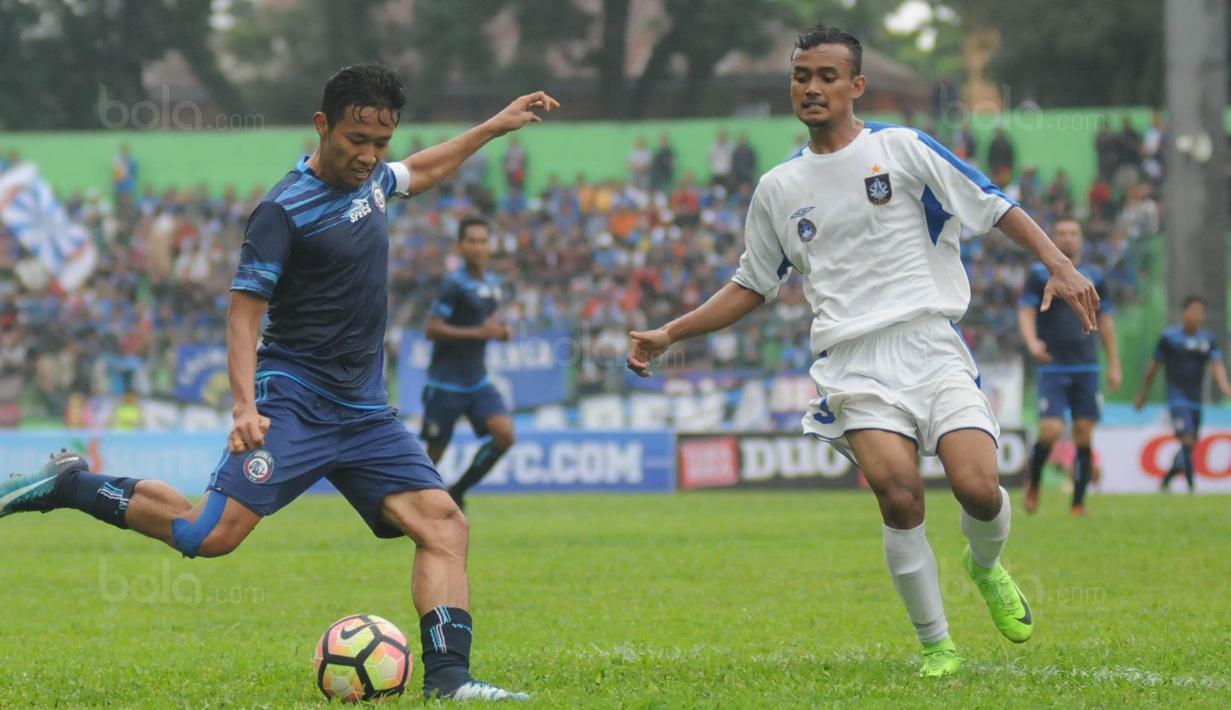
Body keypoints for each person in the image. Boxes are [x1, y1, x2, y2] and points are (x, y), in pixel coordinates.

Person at [0, 64, 557, 702]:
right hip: (293, 401)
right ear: (323, 126)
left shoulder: (374, 180)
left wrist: (492, 127)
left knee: (444, 525)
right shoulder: (282, 210)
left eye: (381, 143)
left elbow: (422, 171)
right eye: (356, 140)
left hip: (364, 411)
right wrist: (244, 406)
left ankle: (450, 683)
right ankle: (71, 483)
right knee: (206, 535)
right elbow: (243, 312)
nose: (369, 155)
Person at [627, 23, 1100, 678]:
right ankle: (937, 646)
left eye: (825, 76)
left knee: (978, 488)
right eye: (800, 76)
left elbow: (991, 204)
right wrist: (669, 332)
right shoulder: (777, 188)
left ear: (856, 85)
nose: (811, 88)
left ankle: (984, 567)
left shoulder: (901, 148)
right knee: (899, 494)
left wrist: (1059, 263)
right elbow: (750, 285)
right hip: (851, 363)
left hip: (931, 346)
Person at [1018, 216, 1119, 515]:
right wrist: (1032, 342)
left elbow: (1105, 320)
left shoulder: (1095, 276)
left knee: (1084, 432)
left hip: (1087, 366)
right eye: (1061, 233)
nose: (1067, 238)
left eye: (1073, 233)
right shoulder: (1039, 273)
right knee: (1050, 429)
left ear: (1081, 239)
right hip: (1053, 365)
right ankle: (1033, 483)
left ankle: (1077, 502)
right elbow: (1025, 311)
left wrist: (1114, 363)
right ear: (1053, 238)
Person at [421, 216, 515, 510]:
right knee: (434, 453)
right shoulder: (454, 283)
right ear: (460, 246)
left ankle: (458, 490)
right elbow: (432, 329)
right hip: (445, 383)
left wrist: (500, 332)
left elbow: (484, 323)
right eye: (471, 241)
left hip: (477, 381)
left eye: (483, 241)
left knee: (504, 435)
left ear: (491, 245)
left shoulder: (493, 284)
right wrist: (480, 333)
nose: (478, 247)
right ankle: (408, 504)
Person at [1134, 296, 1231, 492]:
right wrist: (1143, 394)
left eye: (1200, 312)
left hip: (1196, 398)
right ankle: (1191, 486)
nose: (1196, 316)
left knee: (1191, 443)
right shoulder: (1170, 338)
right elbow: (1153, 367)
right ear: (1184, 313)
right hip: (1176, 396)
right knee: (1186, 439)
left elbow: (1216, 365)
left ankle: (1167, 480)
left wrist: (1224, 386)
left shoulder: (1208, 340)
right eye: (1193, 311)